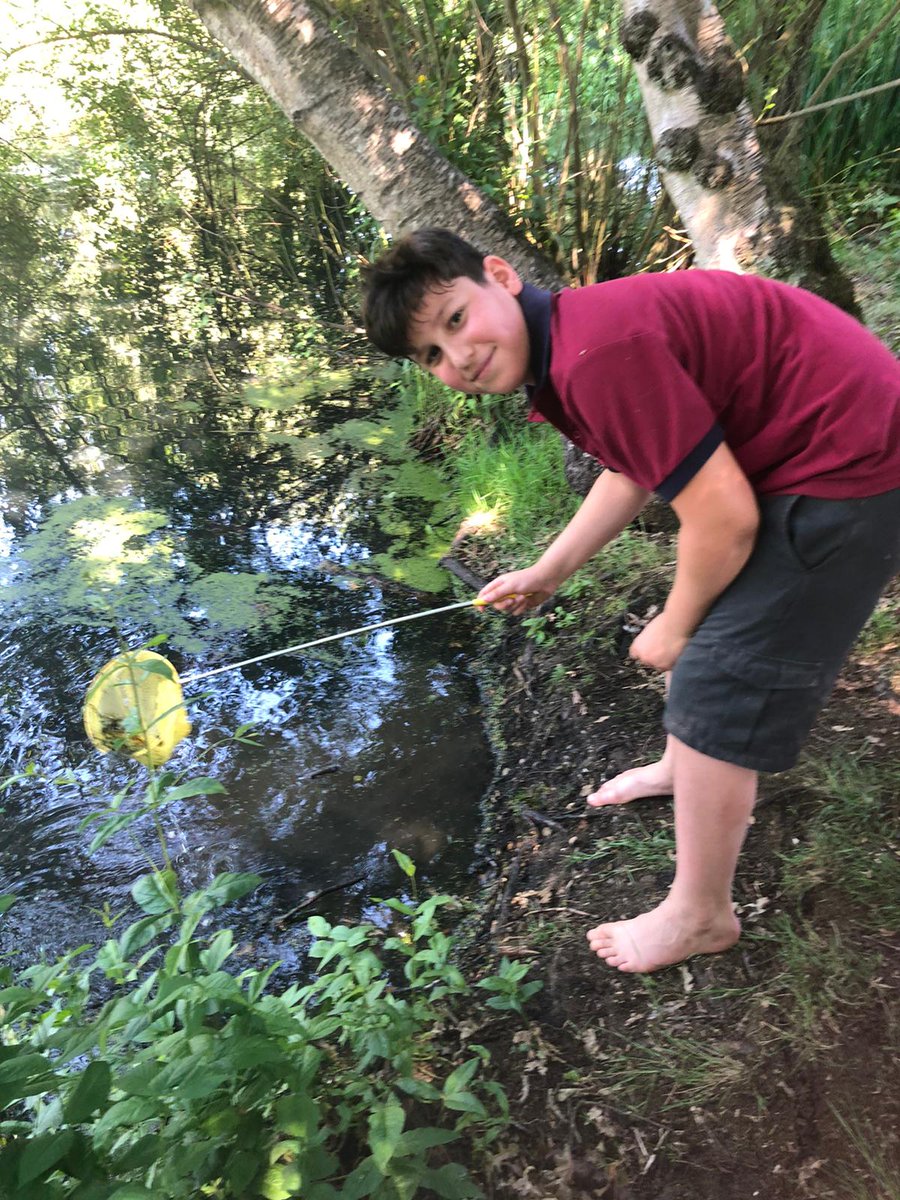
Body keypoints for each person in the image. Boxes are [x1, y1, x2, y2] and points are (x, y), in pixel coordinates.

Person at [362, 227, 900, 974]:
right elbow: (635, 468)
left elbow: (726, 518)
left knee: (715, 668)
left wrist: (676, 628)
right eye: (430, 355)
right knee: (707, 614)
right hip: (814, 443)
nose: (457, 358)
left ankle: (701, 914)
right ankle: (686, 767)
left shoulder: (595, 355)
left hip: (851, 463)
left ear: (500, 276)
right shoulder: (572, 339)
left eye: (455, 320)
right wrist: (548, 571)